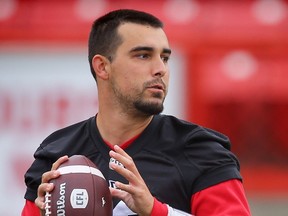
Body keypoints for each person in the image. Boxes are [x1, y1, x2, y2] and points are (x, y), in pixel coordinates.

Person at [22, 9, 251, 216]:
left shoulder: (201, 151)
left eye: (165, 57)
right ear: (102, 67)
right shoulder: (57, 155)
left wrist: (155, 211)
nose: (160, 69)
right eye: (143, 55)